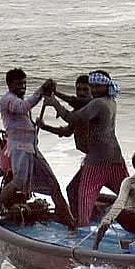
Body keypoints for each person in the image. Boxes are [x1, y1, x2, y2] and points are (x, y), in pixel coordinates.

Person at [0, 68, 73, 227]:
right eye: (19, 84)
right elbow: (23, 107)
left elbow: (26, 108)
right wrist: (41, 91)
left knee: (53, 184)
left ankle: (67, 218)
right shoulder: (8, 100)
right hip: (20, 149)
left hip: (32, 149)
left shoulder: (20, 99)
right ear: (9, 84)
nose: (22, 87)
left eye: (24, 83)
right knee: (18, 182)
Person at [45, 70, 128, 226]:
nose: (94, 89)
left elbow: (73, 117)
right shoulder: (110, 100)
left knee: (84, 200)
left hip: (96, 162)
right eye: (93, 86)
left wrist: (54, 103)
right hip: (116, 158)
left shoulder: (98, 103)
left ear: (106, 86)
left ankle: (81, 228)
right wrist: (56, 93)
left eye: (97, 86)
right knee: (129, 195)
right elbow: (76, 103)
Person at [36, 74, 92, 211]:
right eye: (79, 90)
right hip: (90, 159)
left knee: (72, 190)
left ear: (92, 91)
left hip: (98, 159)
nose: (82, 93)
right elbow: (67, 131)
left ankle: (77, 224)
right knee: (75, 190)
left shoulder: (93, 106)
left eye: (85, 89)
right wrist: (45, 127)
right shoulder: (79, 110)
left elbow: (72, 109)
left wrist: (55, 96)